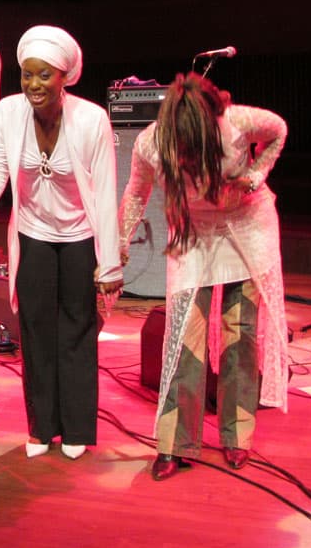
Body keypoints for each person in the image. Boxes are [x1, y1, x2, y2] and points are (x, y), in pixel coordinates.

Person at [118, 73, 289, 481]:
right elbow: (137, 192)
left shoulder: (237, 122)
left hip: (246, 223)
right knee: (182, 336)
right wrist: (120, 241)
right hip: (194, 230)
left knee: (240, 331)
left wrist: (256, 174)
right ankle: (175, 443)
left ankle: (236, 436)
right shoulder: (151, 144)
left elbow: (278, 131)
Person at [0, 26, 123, 460]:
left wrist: (108, 264)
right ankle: (42, 428)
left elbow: (106, 189)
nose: (33, 85)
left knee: (76, 331)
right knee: (36, 334)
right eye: (26, 76)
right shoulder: (7, 112)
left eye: (44, 76)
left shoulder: (91, 118)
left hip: (79, 236)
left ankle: (76, 428)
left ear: (64, 77)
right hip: (32, 234)